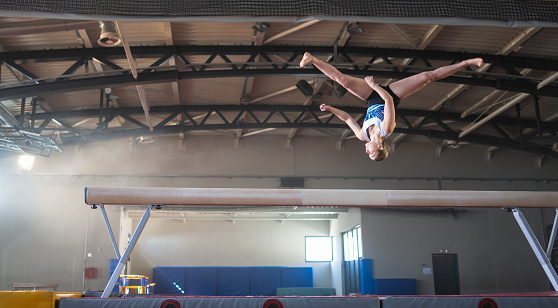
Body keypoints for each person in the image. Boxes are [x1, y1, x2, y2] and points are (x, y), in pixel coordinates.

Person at [299, 52, 483, 161]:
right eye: (371, 155)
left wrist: (330, 109)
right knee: (428, 77)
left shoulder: (362, 135)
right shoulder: (387, 129)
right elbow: (387, 101)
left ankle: (312, 59)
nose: (367, 152)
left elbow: (347, 118)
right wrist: (374, 86)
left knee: (343, 81)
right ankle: (467, 63)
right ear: (379, 148)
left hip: (371, 97)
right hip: (391, 95)